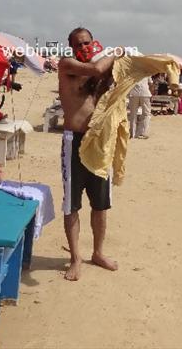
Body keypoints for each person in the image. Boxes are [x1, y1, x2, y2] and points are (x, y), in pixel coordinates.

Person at [59, 27, 123, 281]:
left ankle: (97, 252)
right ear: (72, 48)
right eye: (78, 45)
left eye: (87, 43)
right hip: (73, 142)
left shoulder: (102, 70)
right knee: (71, 203)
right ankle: (75, 258)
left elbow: (112, 84)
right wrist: (117, 52)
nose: (83, 48)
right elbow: (96, 69)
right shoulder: (68, 65)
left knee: (100, 203)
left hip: (98, 142)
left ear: (94, 43)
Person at [128, 75, 153, 139]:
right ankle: (141, 132)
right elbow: (150, 83)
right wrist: (151, 94)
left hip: (133, 93)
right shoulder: (147, 71)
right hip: (145, 93)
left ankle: (132, 133)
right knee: (146, 114)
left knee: (133, 114)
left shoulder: (132, 70)